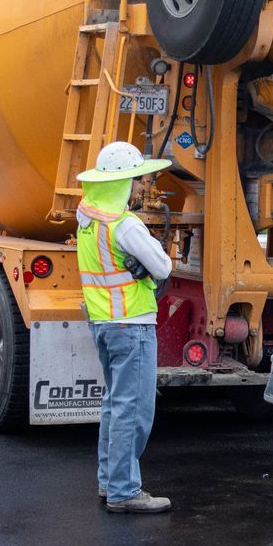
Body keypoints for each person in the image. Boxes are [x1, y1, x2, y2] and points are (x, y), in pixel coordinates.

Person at [76, 140, 175, 514]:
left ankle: (109, 482)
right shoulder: (125, 225)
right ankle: (124, 491)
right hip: (132, 326)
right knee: (132, 410)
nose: (141, 189)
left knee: (114, 406)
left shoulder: (86, 217)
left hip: (103, 322)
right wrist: (147, 259)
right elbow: (163, 267)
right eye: (136, 181)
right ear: (123, 183)